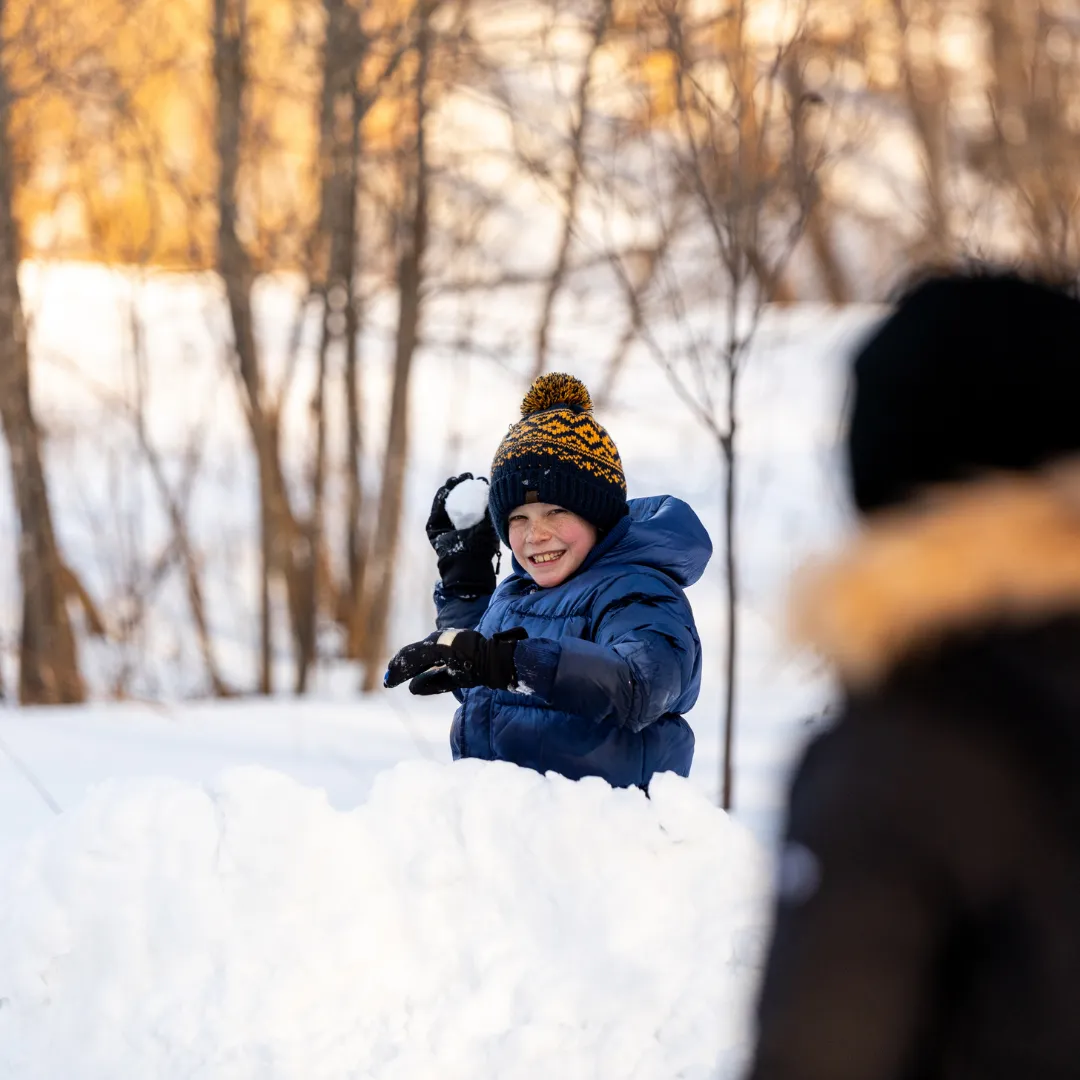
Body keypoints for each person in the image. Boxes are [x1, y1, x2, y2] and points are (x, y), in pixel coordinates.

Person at [745, 270, 1080, 1080]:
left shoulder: (915, 751)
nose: (538, 535)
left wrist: (514, 660)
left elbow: (825, 1047)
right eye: (523, 520)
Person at [384, 372, 712, 790]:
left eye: (554, 512)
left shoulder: (638, 588)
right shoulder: (519, 594)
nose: (534, 535)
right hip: (513, 833)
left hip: (603, 838)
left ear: (597, 514)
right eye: (517, 519)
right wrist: (466, 586)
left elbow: (643, 682)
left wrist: (505, 661)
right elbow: (496, 695)